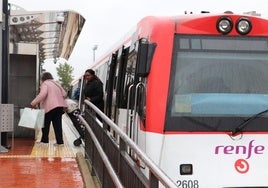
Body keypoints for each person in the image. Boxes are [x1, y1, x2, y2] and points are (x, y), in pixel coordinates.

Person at [30, 72, 67, 146]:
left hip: (50, 107)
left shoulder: (45, 84)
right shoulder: (57, 84)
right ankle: (60, 142)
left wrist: (33, 103)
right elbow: (64, 94)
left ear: (43, 78)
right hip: (59, 107)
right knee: (57, 125)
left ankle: (44, 141)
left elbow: (42, 94)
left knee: (45, 124)